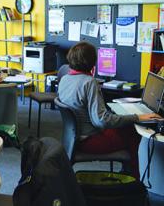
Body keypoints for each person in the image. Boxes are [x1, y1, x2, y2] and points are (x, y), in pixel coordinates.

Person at [58, 42, 162, 179]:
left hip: (72, 138)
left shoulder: (65, 78)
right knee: (133, 132)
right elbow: (101, 121)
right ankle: (134, 180)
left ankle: (129, 174)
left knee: (126, 127)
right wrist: (137, 117)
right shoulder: (89, 83)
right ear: (91, 62)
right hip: (89, 141)